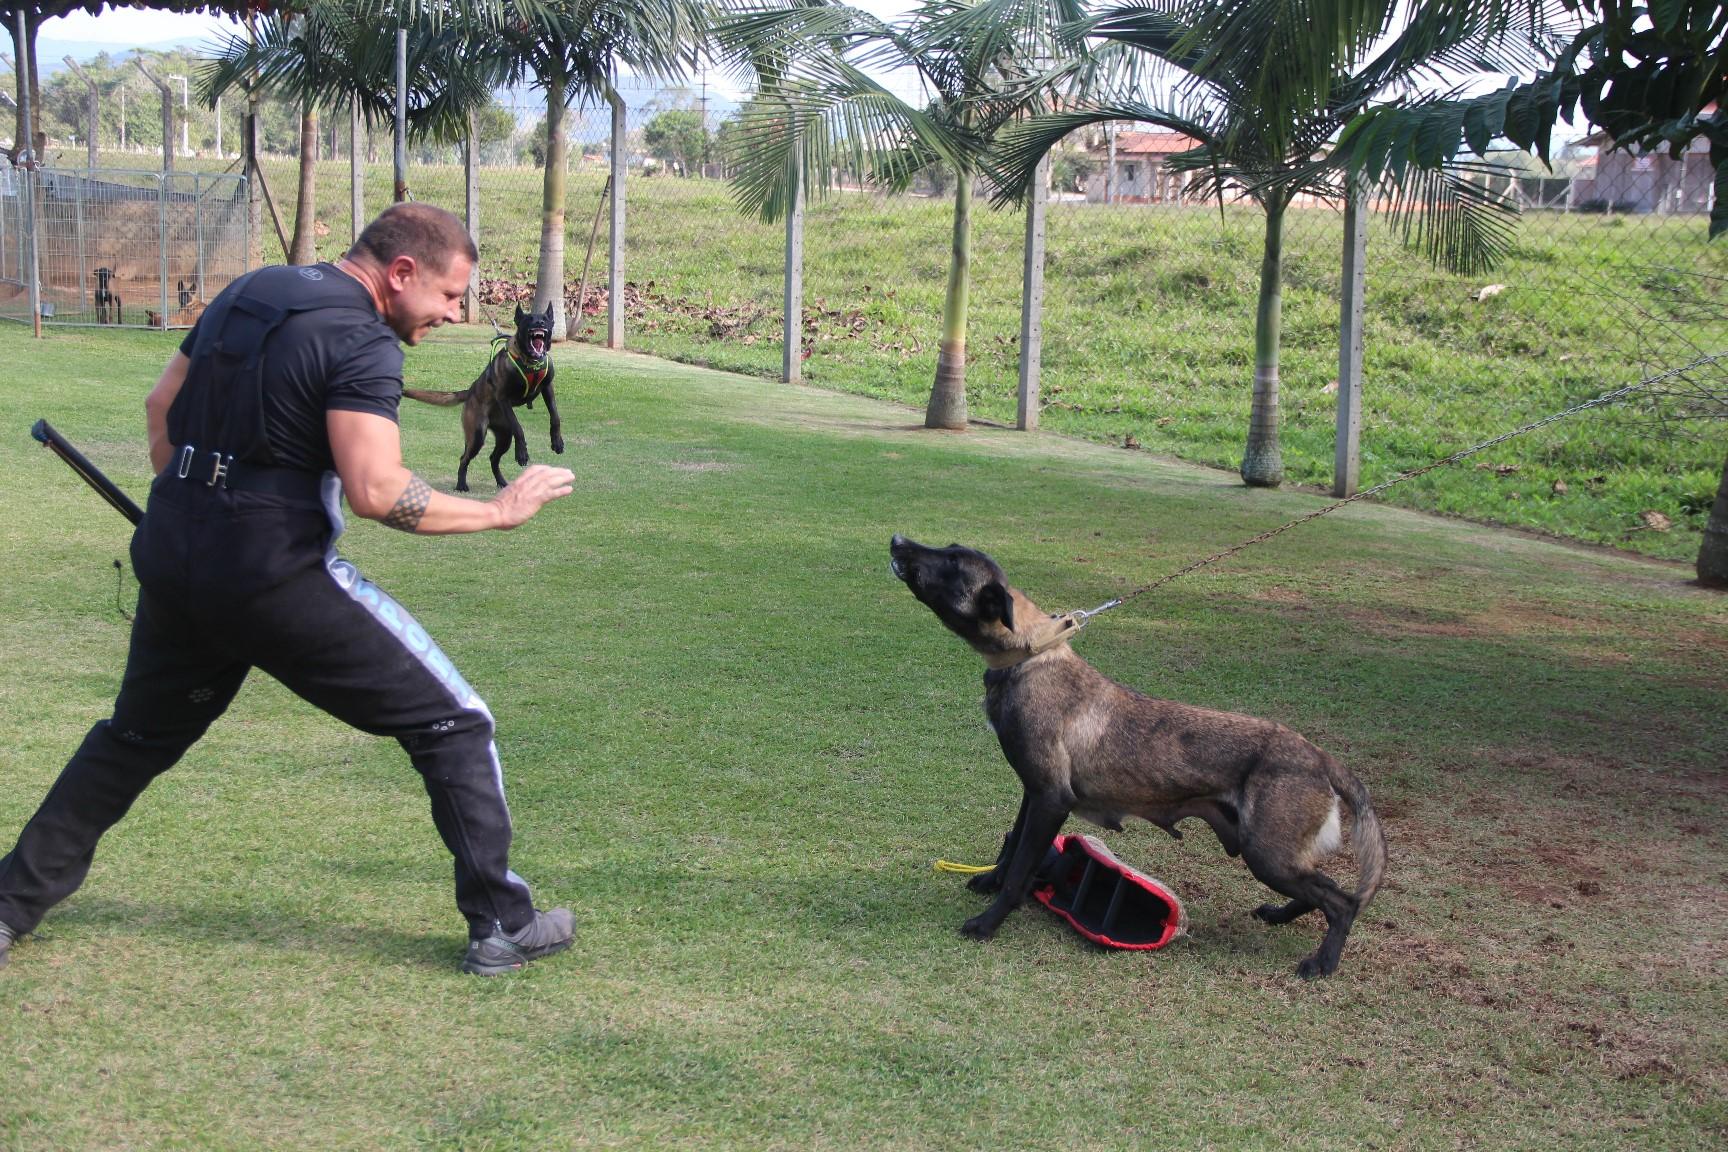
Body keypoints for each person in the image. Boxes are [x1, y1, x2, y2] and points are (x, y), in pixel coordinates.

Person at [0, 203, 575, 976]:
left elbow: (160, 407)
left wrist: (201, 501)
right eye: (447, 295)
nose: (452, 312)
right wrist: (498, 512)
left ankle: (8, 908)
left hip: (173, 549)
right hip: (274, 571)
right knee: (456, 722)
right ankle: (502, 925)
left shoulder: (253, 288)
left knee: (133, 740)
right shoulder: (364, 341)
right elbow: (376, 490)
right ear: (400, 272)